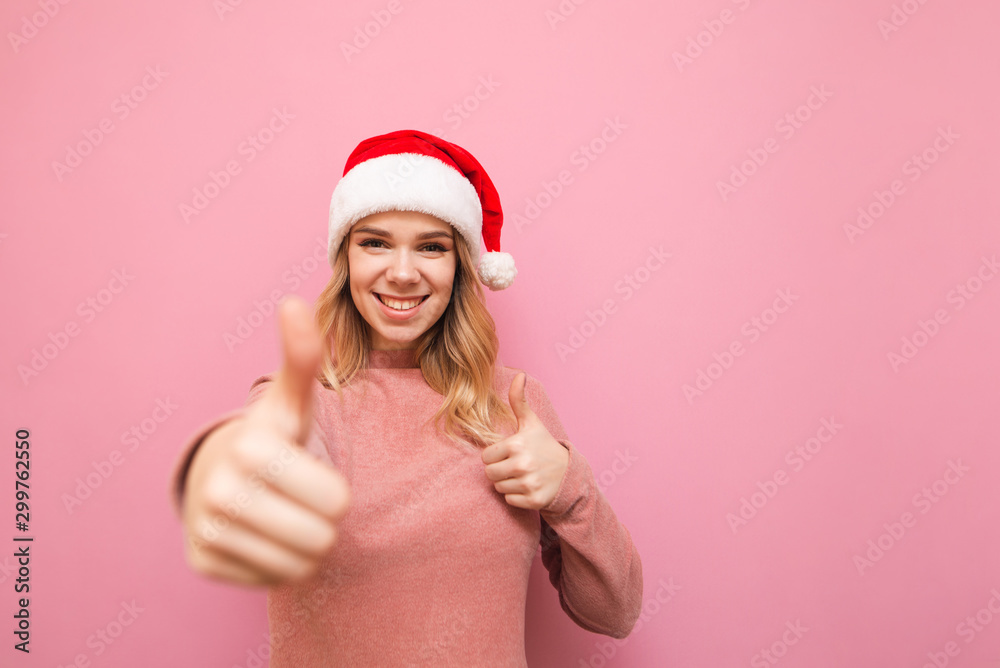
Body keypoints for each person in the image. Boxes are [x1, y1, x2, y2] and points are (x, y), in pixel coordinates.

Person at [167, 129, 643, 667]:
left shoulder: (516, 404)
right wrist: (227, 468)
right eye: (375, 242)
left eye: (432, 247)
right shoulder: (300, 403)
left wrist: (569, 487)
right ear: (345, 258)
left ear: (460, 266)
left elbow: (616, 613)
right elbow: (248, 458)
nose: (401, 272)